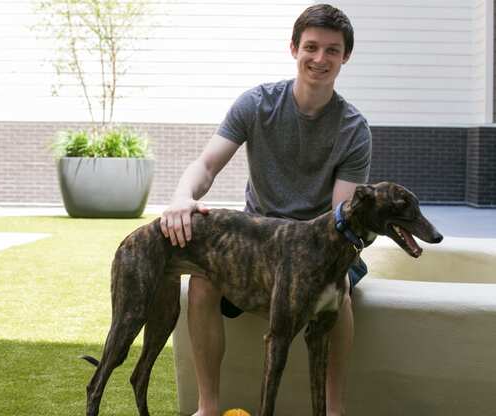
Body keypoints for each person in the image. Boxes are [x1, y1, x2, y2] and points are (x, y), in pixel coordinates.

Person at [159, 4, 371, 416]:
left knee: (338, 293)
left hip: (318, 244)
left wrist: (312, 268)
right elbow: (205, 165)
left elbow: (340, 217)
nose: (320, 59)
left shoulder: (353, 129)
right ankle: (207, 407)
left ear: (346, 56)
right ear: (293, 48)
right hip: (256, 241)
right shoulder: (257, 104)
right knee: (203, 280)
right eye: (311, 47)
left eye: (332, 50)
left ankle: (334, 410)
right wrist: (182, 197)